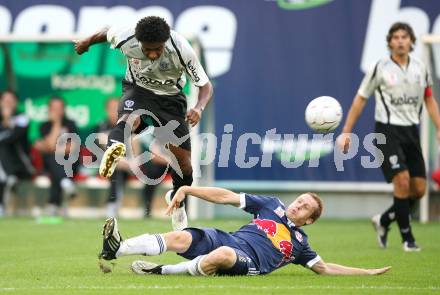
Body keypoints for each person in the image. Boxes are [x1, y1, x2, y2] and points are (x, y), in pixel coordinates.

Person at [74, 16, 213, 230]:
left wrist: (198, 108)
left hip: (170, 100)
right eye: (147, 49)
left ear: (165, 41)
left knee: (184, 165)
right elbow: (106, 31)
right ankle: (115, 148)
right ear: (138, 41)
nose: (152, 54)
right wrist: (87, 42)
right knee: (128, 120)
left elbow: (205, 86)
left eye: (157, 49)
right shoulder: (126, 36)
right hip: (137, 90)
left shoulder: (181, 48)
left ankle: (178, 203)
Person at [98, 186, 391, 276]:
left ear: (310, 220)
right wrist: (189, 189)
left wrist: (366, 273)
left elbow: (324, 269)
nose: (297, 206)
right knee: (181, 237)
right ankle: (116, 248)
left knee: (223, 254)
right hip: (228, 238)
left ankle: (161, 271)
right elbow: (227, 197)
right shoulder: (271, 206)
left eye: (304, 208)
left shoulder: (301, 243)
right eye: (299, 200)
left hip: (247, 262)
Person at [337, 22, 440, 251]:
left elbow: (429, 98)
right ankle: (408, 240)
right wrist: (346, 133)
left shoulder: (420, 67)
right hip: (387, 131)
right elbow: (360, 99)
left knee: (419, 190)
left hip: (411, 131)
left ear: (412, 41)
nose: (401, 41)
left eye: (405, 36)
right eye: (396, 37)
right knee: (401, 181)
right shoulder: (380, 68)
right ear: (389, 42)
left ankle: (383, 220)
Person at [35, 96, 79, 216]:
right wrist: (56, 123)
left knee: (55, 157)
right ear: (49, 109)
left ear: (64, 109)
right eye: (54, 108)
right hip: (49, 166)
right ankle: (65, 182)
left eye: (59, 108)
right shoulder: (44, 126)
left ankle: (53, 203)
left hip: (69, 164)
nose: (57, 111)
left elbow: (73, 148)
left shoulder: (71, 124)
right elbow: (48, 145)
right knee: (53, 158)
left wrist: (54, 148)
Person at [0, 90, 34, 216]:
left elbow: (13, 137)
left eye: (11, 100)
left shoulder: (22, 118)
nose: (7, 103)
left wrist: (7, 119)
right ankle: (8, 178)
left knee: (3, 146)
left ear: (16, 102)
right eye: (5, 100)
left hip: (20, 165)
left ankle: (9, 177)